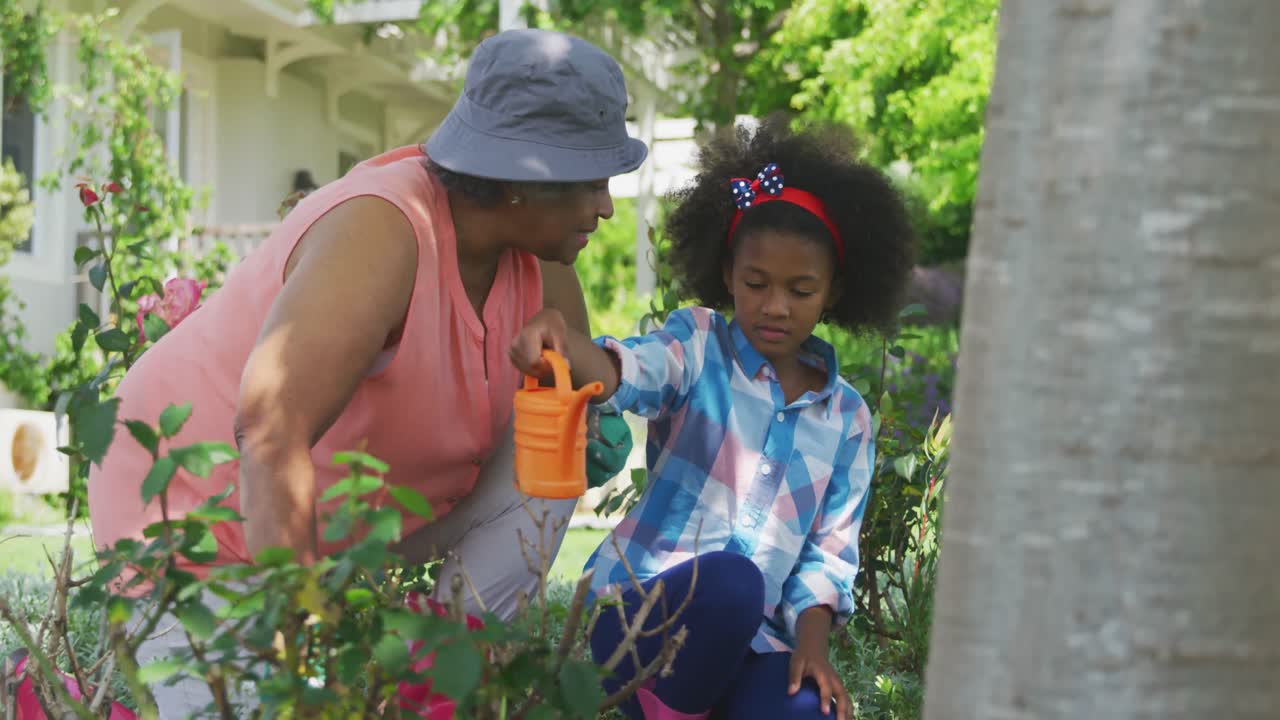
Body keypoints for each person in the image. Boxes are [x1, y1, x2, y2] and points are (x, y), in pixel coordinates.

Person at [87, 28, 646, 717]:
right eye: (590, 181)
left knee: (554, 434)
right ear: (520, 179)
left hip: (354, 521)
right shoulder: (384, 228)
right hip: (194, 520)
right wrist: (299, 661)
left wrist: (591, 406)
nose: (607, 207)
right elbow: (270, 431)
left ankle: (446, 670)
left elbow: (565, 430)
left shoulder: (544, 269)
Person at [509, 117, 916, 720]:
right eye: (755, 283)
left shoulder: (849, 418)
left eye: (801, 290)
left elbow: (828, 557)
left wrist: (813, 651)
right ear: (727, 275)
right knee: (733, 583)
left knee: (810, 708)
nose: (774, 306)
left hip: (749, 646)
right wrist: (571, 345)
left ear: (833, 291)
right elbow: (634, 372)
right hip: (635, 624)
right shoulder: (699, 347)